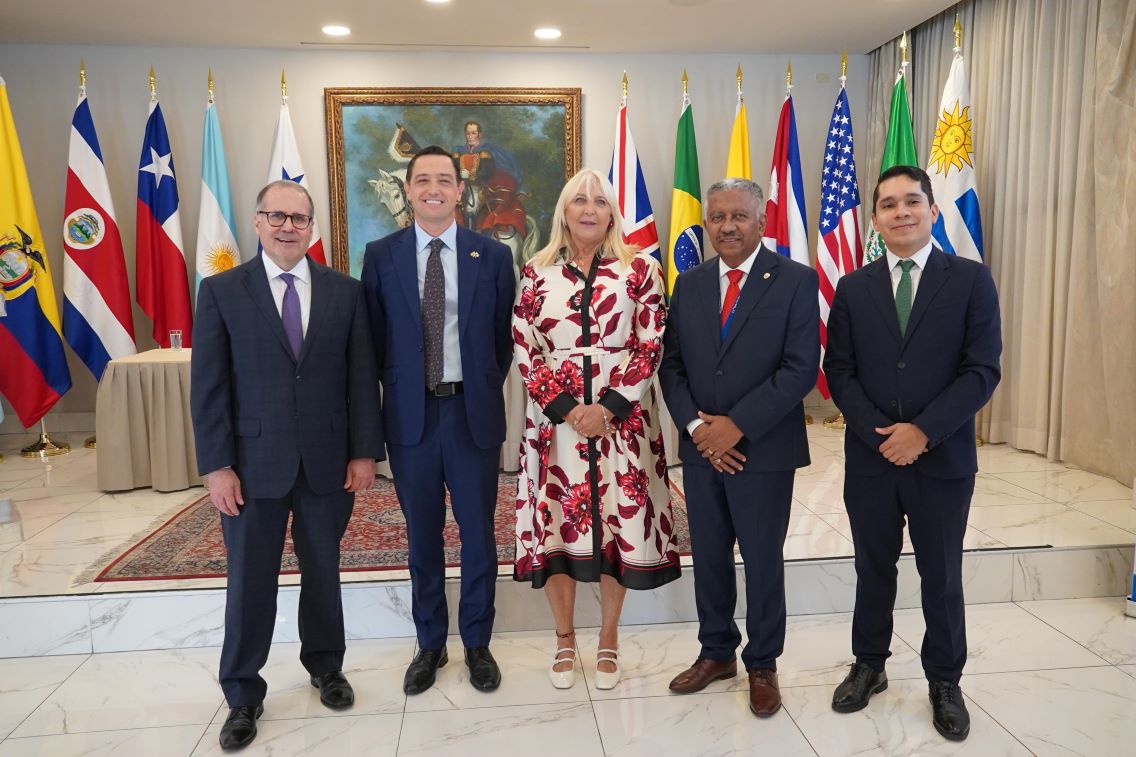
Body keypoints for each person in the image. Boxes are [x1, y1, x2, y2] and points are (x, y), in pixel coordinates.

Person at [191, 180, 383, 751]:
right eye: (276, 216)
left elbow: (360, 378)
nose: (287, 227)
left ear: (312, 227)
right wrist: (217, 465)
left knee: (323, 570)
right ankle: (242, 692)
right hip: (252, 466)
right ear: (257, 222)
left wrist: (364, 451)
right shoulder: (222, 291)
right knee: (250, 579)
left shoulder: (345, 292)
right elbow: (209, 387)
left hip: (328, 462)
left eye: (299, 218)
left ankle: (326, 666)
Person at [823, 165, 1001, 741]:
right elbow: (839, 371)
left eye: (912, 201)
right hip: (871, 458)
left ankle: (945, 680)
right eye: (889, 204)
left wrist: (923, 432)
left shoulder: (970, 280)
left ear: (932, 210)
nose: (901, 212)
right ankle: (869, 664)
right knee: (871, 566)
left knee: (941, 574)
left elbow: (982, 370)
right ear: (875, 219)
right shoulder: (853, 288)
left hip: (943, 459)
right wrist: (882, 433)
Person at [513, 169, 680, 691]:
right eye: (579, 200)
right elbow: (524, 345)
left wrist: (607, 408)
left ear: (612, 213)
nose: (589, 209)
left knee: (615, 524)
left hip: (621, 422)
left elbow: (651, 343)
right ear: (563, 211)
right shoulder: (536, 272)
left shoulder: (641, 269)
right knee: (556, 527)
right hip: (555, 425)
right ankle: (564, 639)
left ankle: (609, 637)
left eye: (600, 201)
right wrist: (566, 408)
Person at [659, 177, 819, 717]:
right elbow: (672, 366)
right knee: (708, 555)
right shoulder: (690, 284)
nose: (727, 226)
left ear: (760, 220)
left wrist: (737, 426)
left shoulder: (795, 280)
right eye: (718, 217)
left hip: (763, 450)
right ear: (707, 223)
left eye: (739, 216)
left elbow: (800, 368)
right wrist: (698, 429)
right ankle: (716, 652)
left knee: (761, 558)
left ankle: (763, 663)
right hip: (702, 449)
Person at [361, 145, 515, 696]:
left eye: (444, 180)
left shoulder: (491, 255)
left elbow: (501, 340)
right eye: (422, 179)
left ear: (459, 190)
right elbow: (374, 340)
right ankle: (430, 643)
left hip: (471, 415)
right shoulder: (380, 255)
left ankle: (476, 642)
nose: (433, 189)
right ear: (408, 190)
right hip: (411, 418)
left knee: (478, 536)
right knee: (422, 537)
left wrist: (475, 385)